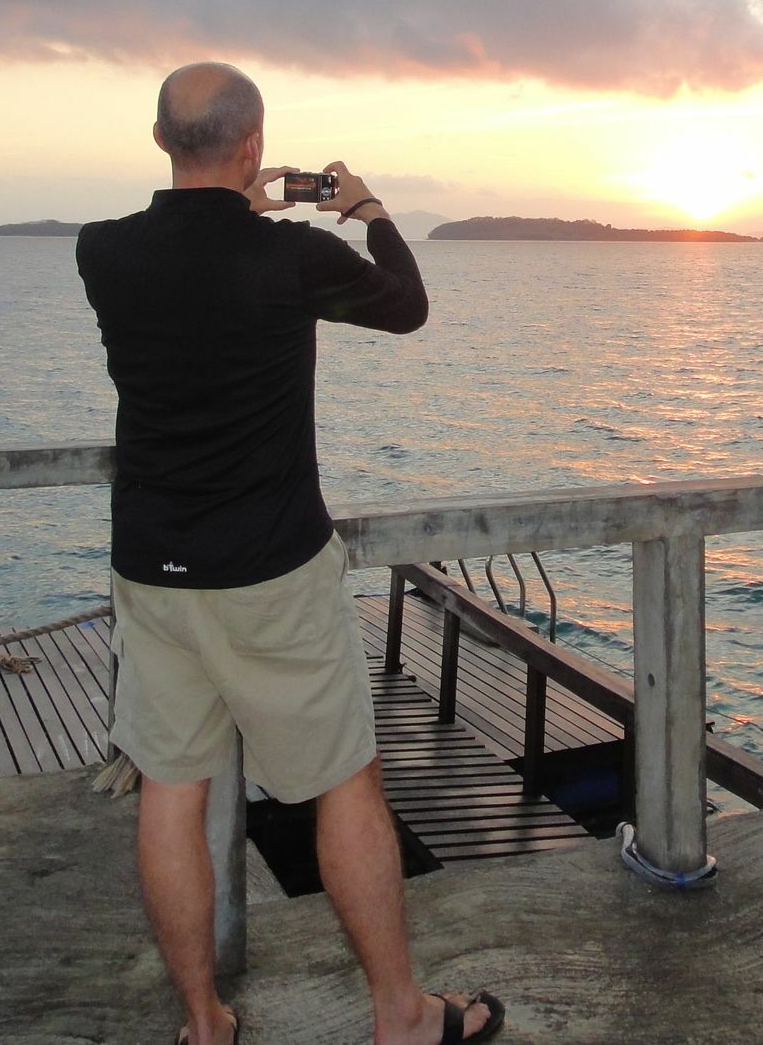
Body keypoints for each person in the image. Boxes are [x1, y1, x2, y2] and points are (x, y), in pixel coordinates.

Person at [76, 63, 503, 1045]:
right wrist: (367, 209)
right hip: (269, 570)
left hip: (152, 568)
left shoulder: (102, 254)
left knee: (170, 793)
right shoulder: (291, 257)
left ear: (157, 140)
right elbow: (405, 304)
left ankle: (202, 1023)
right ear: (255, 147)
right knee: (344, 783)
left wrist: (232, 201)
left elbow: (188, 261)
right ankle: (400, 1016)